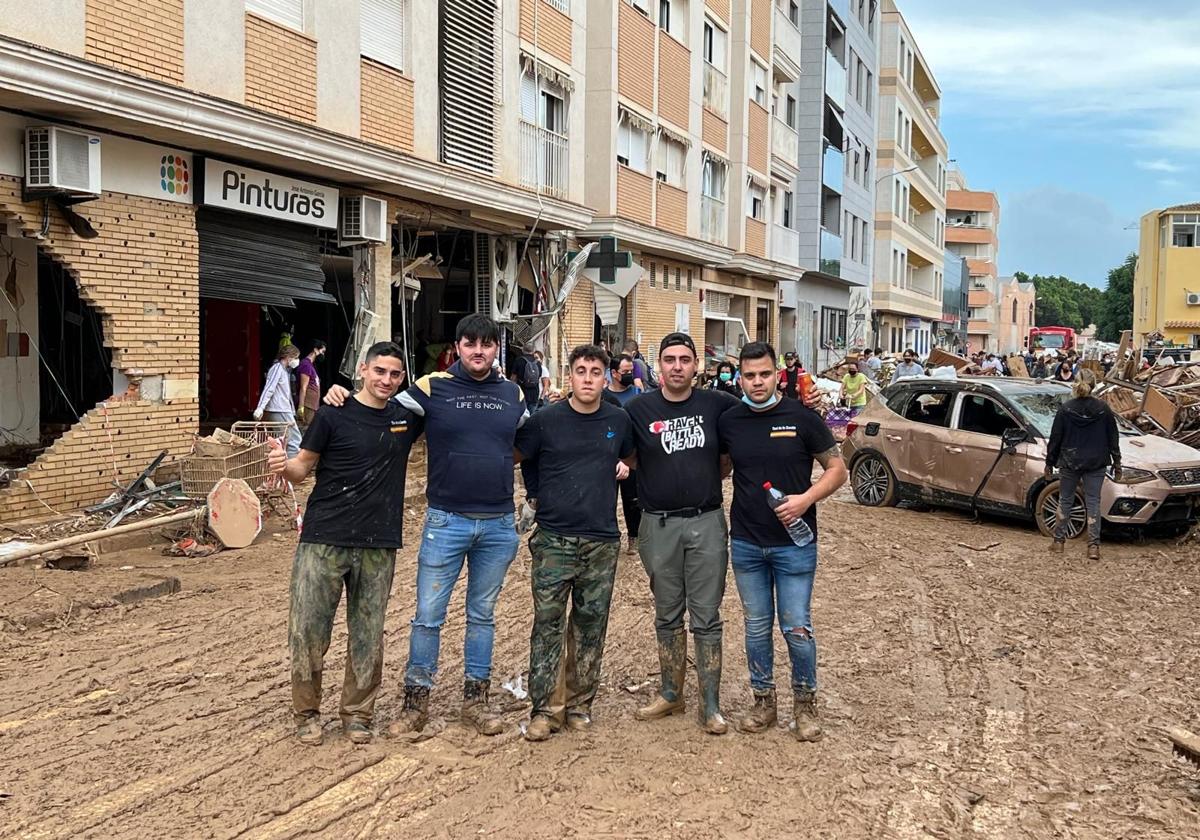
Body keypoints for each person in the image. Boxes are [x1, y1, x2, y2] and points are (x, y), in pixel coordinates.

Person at [325, 314, 527, 737]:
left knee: (482, 615)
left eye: (487, 345)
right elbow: (379, 414)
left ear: (496, 350)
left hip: (497, 524)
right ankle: (415, 704)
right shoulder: (432, 387)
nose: (478, 351)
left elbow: (530, 444)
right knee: (428, 617)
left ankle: (477, 700)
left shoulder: (513, 394)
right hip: (445, 522)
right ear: (458, 346)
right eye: (470, 343)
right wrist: (344, 393)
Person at [267, 342, 420, 746]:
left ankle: (357, 714)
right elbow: (302, 468)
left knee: (367, 633)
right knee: (308, 631)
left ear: (402, 378)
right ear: (363, 370)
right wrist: (283, 465)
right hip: (323, 539)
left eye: (395, 374)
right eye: (379, 371)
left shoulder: (406, 419)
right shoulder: (333, 414)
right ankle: (307, 714)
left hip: (378, 543)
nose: (386, 380)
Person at [718, 342, 848, 741]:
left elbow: (838, 469)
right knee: (757, 628)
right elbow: (721, 468)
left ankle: (805, 706)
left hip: (795, 544)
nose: (757, 382)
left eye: (764, 374)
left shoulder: (803, 418)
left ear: (778, 375)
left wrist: (806, 499)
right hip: (745, 542)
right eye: (750, 375)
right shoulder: (730, 420)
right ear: (740, 377)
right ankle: (763, 702)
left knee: (796, 626)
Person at [515, 345, 636, 741]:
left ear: (606, 377)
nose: (588, 378)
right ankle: (545, 710)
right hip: (553, 539)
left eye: (595, 371)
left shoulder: (618, 421)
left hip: (601, 539)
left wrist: (624, 466)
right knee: (547, 624)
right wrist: (534, 493)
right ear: (570, 376)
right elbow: (521, 456)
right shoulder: (545, 421)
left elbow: (631, 458)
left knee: (589, 626)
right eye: (581, 370)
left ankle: (580, 704)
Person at [625, 332, 739, 734]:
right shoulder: (639, 409)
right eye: (669, 359)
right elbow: (627, 454)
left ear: (697, 366)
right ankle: (671, 693)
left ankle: (710, 704)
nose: (677, 366)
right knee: (667, 613)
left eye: (685, 359)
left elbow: (731, 453)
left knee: (706, 616)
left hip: (706, 521)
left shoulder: (718, 405)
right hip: (658, 525)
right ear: (658, 364)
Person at [1045, 369, 1119, 560]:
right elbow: (1113, 438)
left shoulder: (1065, 409)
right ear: (1094, 384)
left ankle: (1058, 542)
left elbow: (1055, 439)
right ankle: (1093, 547)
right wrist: (1117, 462)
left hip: (1070, 461)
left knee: (1065, 499)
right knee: (1093, 501)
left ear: (1075, 384)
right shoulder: (1104, 409)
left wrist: (1049, 463)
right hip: (1097, 462)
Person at [605, 355, 643, 556]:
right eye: (625, 372)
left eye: (632, 372)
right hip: (608, 457)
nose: (629, 375)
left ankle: (634, 537)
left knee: (632, 499)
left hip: (631, 456)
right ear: (613, 373)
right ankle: (610, 537)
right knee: (607, 499)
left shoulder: (638, 396)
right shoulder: (603, 397)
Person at [255, 344, 303, 458]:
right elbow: (269, 388)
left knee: (284, 441)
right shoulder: (277, 369)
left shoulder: (284, 371)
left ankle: (283, 467)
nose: (297, 360)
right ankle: (291, 469)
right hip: (279, 409)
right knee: (294, 440)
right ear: (288, 357)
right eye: (296, 357)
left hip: (282, 409)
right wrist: (260, 407)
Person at [296, 340, 326, 428]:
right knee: (305, 430)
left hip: (312, 406)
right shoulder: (306, 365)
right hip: (307, 405)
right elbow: (303, 387)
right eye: (322, 351)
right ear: (315, 350)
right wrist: (301, 407)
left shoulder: (311, 365)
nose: (323, 355)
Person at [508, 342, 543, 413]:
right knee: (532, 416)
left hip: (522, 393)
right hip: (534, 394)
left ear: (523, 350)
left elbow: (513, 378)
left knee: (522, 416)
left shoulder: (519, 360)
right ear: (533, 350)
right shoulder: (537, 363)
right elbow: (538, 377)